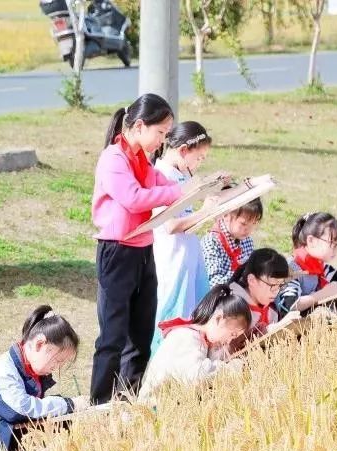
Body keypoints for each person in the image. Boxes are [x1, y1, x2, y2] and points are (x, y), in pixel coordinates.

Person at [90, 93, 181, 404]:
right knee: (113, 337)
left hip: (143, 250)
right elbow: (133, 197)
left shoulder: (143, 159)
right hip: (117, 252)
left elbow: (162, 185)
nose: (162, 141)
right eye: (161, 133)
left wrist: (190, 189)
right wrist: (176, 193)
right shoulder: (113, 159)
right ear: (140, 126)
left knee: (141, 336)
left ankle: (128, 400)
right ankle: (100, 405)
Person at [0, 306, 88, 451]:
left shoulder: (31, 369)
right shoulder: (3, 370)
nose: (57, 368)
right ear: (39, 344)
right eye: (57, 361)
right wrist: (68, 404)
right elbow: (22, 408)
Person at [151, 121, 215, 355]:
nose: (199, 164)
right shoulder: (161, 176)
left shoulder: (179, 176)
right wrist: (205, 211)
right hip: (172, 263)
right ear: (183, 151)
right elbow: (169, 225)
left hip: (187, 260)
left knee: (191, 321)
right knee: (171, 323)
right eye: (199, 158)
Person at [139, 285, 251, 401]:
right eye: (232, 334)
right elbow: (195, 377)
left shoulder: (199, 339)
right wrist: (229, 369)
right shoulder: (187, 337)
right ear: (218, 319)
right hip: (154, 410)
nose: (229, 340)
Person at [275, 212, 337, 319]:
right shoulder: (292, 267)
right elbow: (288, 306)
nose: (335, 249)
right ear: (311, 240)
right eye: (332, 242)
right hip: (292, 329)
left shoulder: (322, 267)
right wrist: (323, 294)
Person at [228, 248, 291, 339]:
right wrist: (273, 329)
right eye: (273, 285)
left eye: (280, 285)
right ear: (252, 280)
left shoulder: (272, 310)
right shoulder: (231, 307)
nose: (276, 291)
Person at [200, 198, 263, 287]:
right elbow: (214, 283)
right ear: (226, 215)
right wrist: (241, 272)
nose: (249, 230)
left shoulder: (247, 241)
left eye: (254, 223)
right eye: (243, 224)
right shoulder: (212, 242)